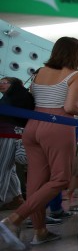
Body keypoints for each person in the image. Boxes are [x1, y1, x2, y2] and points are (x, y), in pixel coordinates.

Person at [0, 37, 78, 249]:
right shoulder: (77, 76)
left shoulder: (40, 72)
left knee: (36, 183)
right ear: (76, 54)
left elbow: (76, 103)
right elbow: (71, 107)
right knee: (61, 178)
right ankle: (13, 220)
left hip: (32, 127)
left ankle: (40, 231)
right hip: (57, 127)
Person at [0, 77, 25, 210]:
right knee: (9, 168)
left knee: (2, 167)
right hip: (6, 133)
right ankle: (17, 197)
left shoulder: (17, 99)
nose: (1, 84)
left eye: (5, 82)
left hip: (10, 134)